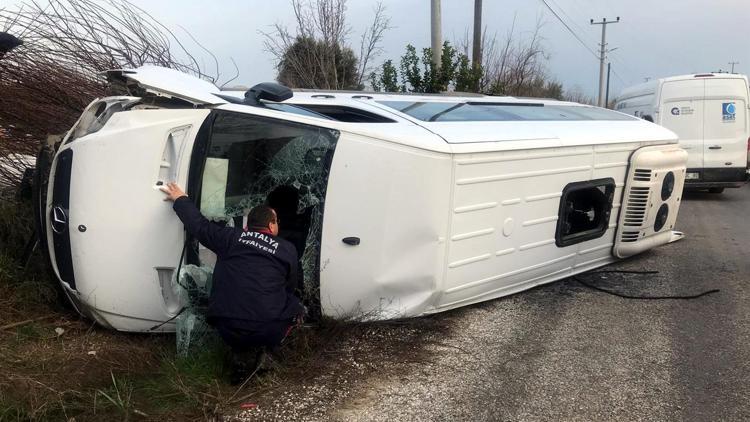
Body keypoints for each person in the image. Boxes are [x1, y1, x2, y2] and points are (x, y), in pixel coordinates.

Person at [160, 182, 304, 384]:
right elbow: (290, 286)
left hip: (226, 327)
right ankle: (268, 355)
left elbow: (198, 225)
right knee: (296, 305)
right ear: (272, 225)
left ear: (247, 226)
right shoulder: (287, 249)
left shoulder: (229, 238)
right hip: (269, 330)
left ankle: (239, 355)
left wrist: (180, 198)